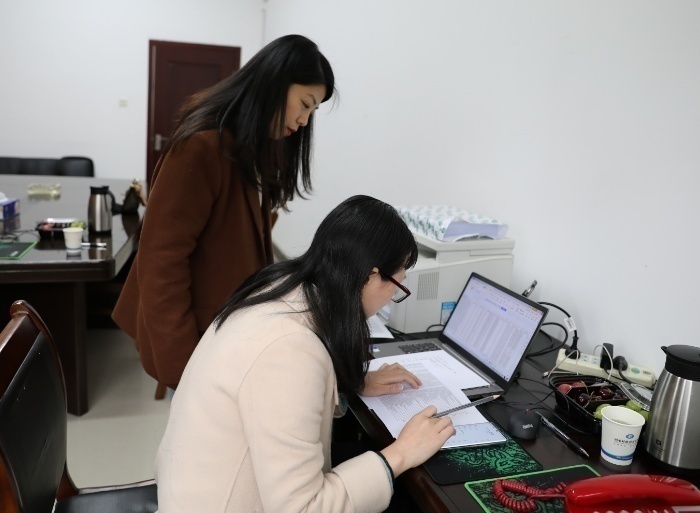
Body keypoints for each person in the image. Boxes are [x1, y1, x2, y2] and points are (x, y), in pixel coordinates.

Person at [155, 195, 456, 513]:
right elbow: (303, 508)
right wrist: (402, 453)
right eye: (397, 285)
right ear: (369, 276)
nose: (392, 296)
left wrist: (350, 384)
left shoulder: (279, 288)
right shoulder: (290, 350)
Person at [112, 35, 335, 388]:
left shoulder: (254, 147)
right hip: (196, 335)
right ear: (275, 82)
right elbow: (161, 262)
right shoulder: (202, 147)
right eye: (305, 104)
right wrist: (184, 367)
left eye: (313, 111)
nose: (305, 120)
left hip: (226, 326)